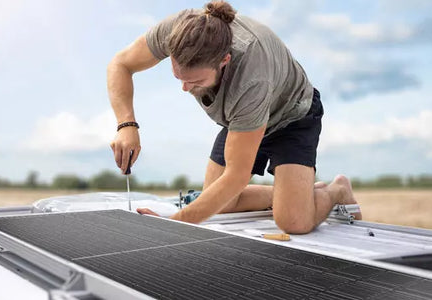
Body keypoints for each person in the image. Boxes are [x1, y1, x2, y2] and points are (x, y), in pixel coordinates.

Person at [107, 0, 361, 234]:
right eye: (179, 77)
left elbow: (237, 176)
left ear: (224, 61)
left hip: (291, 116)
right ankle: (294, 194)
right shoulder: (179, 31)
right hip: (240, 120)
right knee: (222, 203)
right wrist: (126, 124)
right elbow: (120, 64)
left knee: (293, 222)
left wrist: (175, 225)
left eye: (195, 81)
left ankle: (336, 189)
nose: (184, 88)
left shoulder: (251, 77)